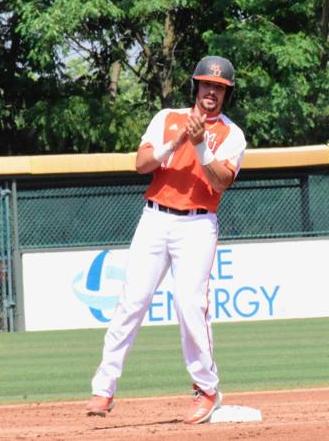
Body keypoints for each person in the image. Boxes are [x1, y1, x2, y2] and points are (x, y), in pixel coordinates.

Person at [86, 56, 247, 424]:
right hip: (155, 217)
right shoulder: (167, 117)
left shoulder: (231, 133)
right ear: (196, 86)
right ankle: (103, 388)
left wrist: (202, 145)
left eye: (220, 88)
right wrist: (176, 141)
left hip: (198, 223)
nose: (212, 92)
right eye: (207, 84)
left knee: (190, 305)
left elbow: (221, 181)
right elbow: (141, 164)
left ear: (226, 94)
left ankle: (207, 389)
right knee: (131, 302)